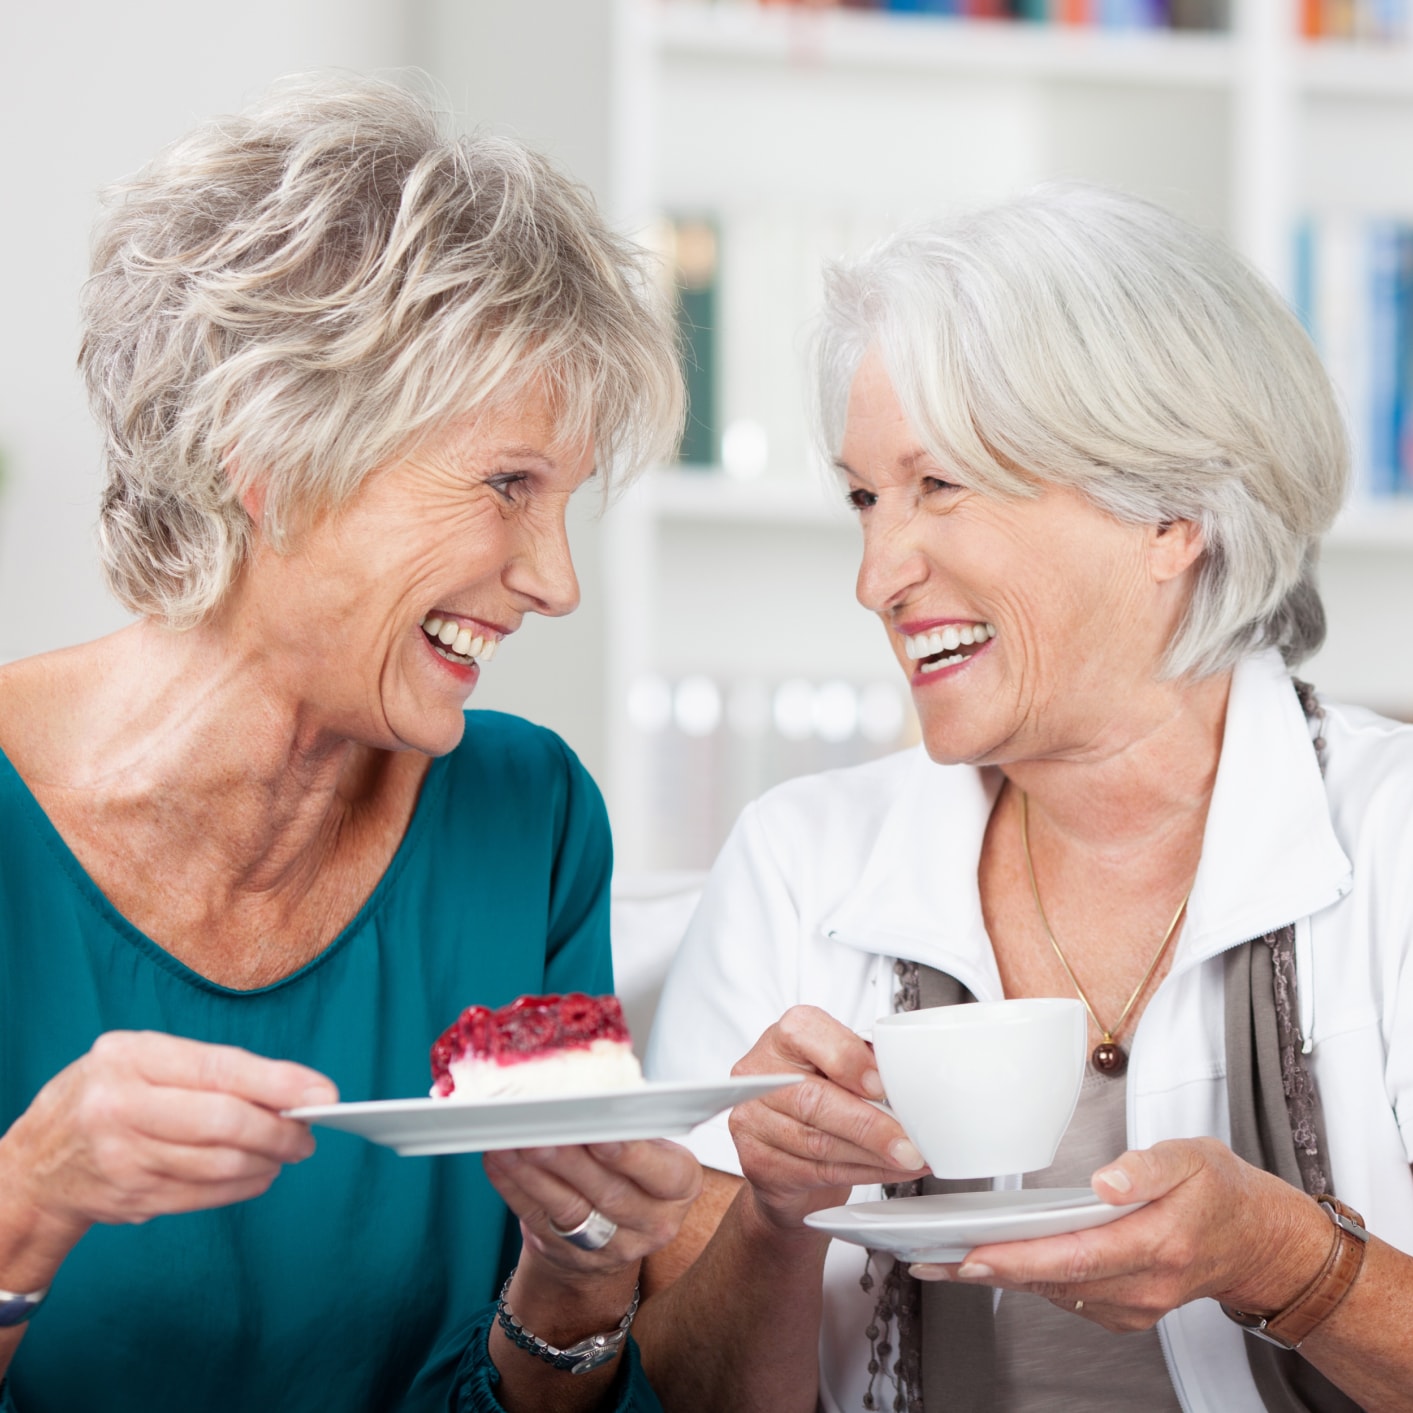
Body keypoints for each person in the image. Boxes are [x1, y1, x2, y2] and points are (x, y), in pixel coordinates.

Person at [637, 186, 1413, 1412]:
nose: (877, 574)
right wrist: (777, 1217)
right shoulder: (799, 860)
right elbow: (685, 1390)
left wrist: (1286, 1260)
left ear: (1172, 513)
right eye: (863, 497)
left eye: (940, 485)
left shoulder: (1397, 836)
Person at [0, 75, 698, 1413]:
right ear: (270, 454)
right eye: (508, 485)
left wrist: (579, 1275)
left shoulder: (527, 815)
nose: (555, 581)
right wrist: (26, 1205)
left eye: (566, 502)